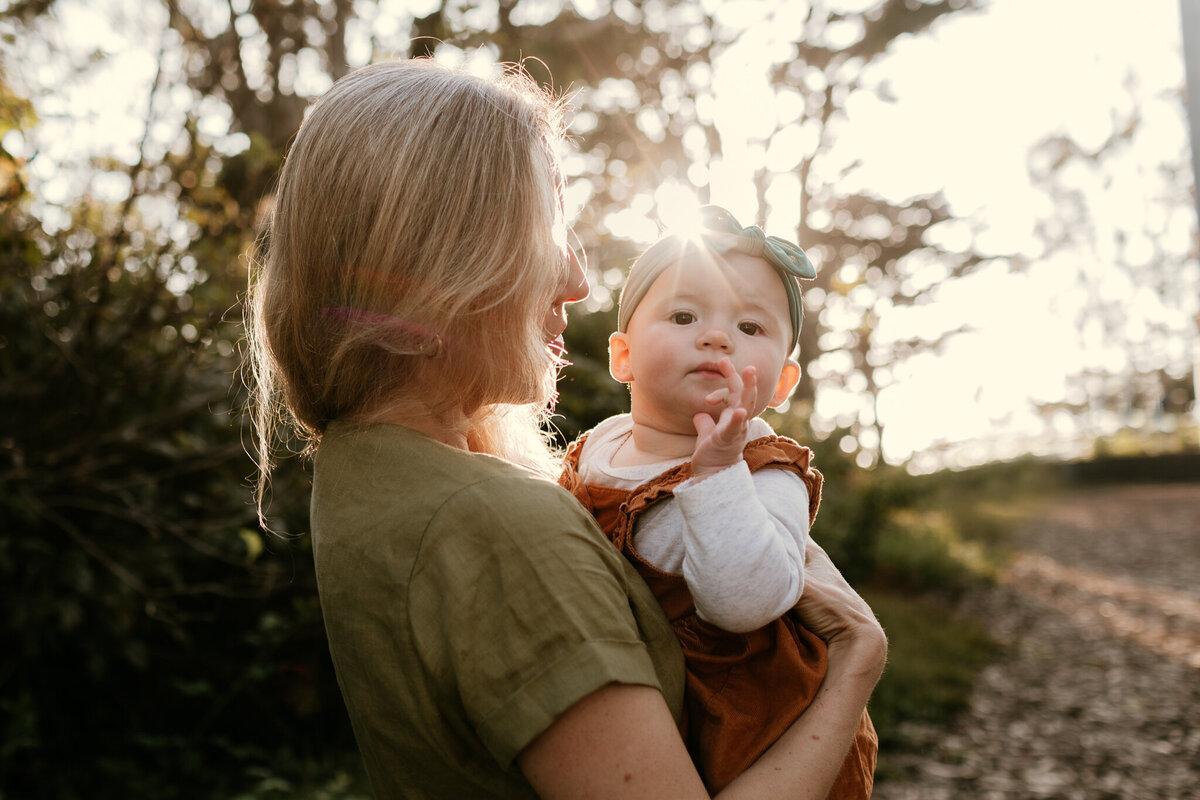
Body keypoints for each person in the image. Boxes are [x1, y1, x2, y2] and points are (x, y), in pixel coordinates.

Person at [246, 57, 887, 800]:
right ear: (438, 260)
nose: (581, 280)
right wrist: (855, 665)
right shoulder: (498, 523)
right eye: (542, 224)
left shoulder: (366, 469)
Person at [557, 206, 878, 796]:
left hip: (759, 725)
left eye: (751, 328)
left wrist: (718, 472)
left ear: (781, 383)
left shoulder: (764, 472)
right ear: (622, 356)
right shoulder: (600, 445)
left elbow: (744, 604)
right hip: (643, 710)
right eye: (683, 315)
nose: (717, 336)